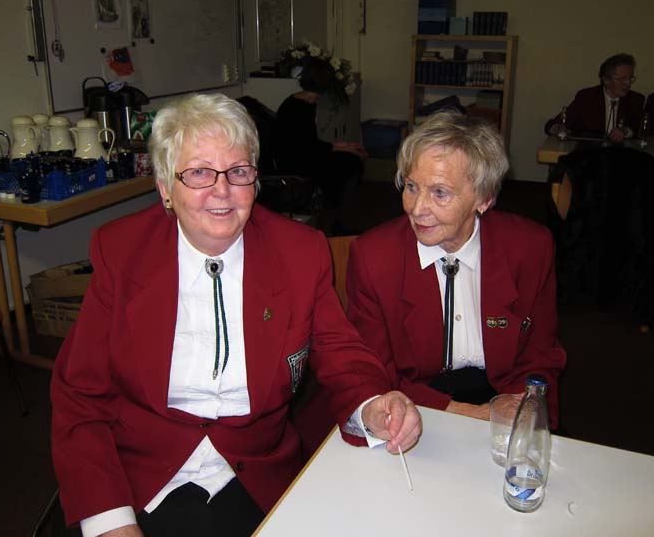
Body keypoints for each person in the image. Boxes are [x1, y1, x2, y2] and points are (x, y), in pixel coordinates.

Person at [50, 93, 422, 537]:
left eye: (238, 171)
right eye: (199, 173)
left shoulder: (299, 252)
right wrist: (111, 521)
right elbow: (80, 395)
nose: (222, 190)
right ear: (166, 188)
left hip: (256, 473)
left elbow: (340, 351)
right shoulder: (122, 251)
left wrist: (373, 404)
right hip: (140, 474)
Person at [344, 112, 566, 427]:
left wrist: (525, 408)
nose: (417, 208)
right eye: (411, 186)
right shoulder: (374, 257)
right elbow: (373, 373)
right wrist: (471, 415)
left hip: (504, 394)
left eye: (440, 193)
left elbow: (540, 356)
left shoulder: (530, 247)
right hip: (414, 402)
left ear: (484, 199)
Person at [275, 56, 367, 232]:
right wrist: (340, 147)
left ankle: (338, 218)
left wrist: (341, 146)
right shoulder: (297, 108)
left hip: (304, 156)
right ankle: (338, 222)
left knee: (351, 163)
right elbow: (306, 148)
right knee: (350, 166)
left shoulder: (302, 102)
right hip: (294, 163)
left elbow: (308, 143)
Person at [545, 53, 645, 142]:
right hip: (590, 153)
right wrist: (558, 128)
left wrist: (625, 131)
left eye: (630, 78)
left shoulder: (636, 100)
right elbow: (554, 124)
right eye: (622, 79)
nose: (628, 83)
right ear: (606, 80)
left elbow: (641, 129)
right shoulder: (587, 97)